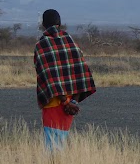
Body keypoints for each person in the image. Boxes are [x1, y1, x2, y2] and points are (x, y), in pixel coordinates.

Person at [34, 9, 96, 152]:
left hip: (54, 102)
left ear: (43, 24)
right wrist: (72, 101)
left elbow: (48, 77)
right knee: (61, 139)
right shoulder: (71, 42)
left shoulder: (41, 45)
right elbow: (81, 74)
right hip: (70, 103)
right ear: (60, 23)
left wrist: (65, 101)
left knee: (52, 145)